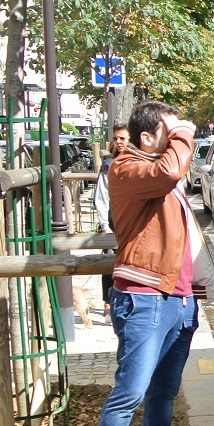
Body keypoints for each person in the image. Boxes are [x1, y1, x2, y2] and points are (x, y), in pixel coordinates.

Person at [87, 101, 214, 426]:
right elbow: (171, 169)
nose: (178, 138)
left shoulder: (158, 174)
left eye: (180, 132)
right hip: (144, 297)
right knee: (130, 392)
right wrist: (186, 132)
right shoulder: (126, 168)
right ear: (147, 137)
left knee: (163, 393)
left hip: (178, 298)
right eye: (170, 132)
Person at [94, 124, 130, 310]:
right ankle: (109, 302)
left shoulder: (137, 163)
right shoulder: (109, 165)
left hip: (131, 224)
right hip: (113, 223)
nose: (118, 142)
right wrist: (104, 224)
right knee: (110, 262)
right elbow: (101, 197)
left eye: (123, 138)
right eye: (116, 138)